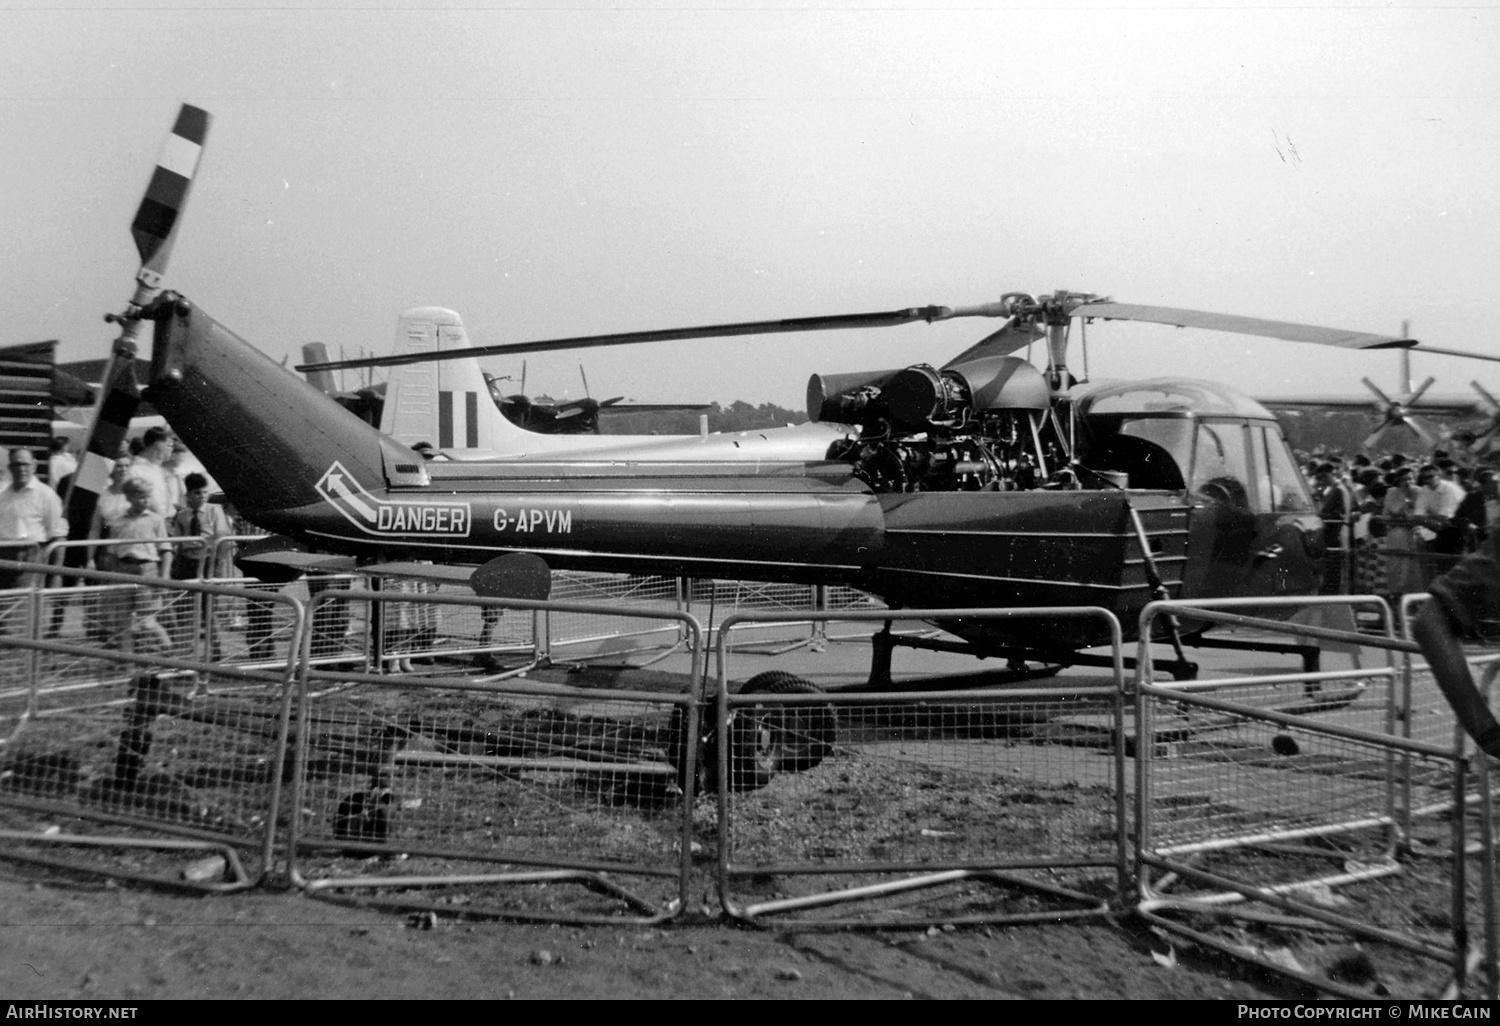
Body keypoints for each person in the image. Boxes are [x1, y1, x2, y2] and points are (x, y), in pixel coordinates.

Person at [101, 478, 173, 652]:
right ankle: (129, 664)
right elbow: (111, 551)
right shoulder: (118, 520)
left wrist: (164, 576)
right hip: (124, 569)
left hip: (147, 570)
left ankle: (169, 652)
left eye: (148, 496)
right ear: (129, 497)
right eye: (140, 496)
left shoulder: (156, 520)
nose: (145, 500)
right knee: (123, 622)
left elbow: (166, 550)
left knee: (147, 622)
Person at [0, 448, 68, 589]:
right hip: (4, 555)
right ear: (10, 467)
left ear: (34, 465)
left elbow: (59, 536)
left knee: (25, 606)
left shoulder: (46, 495)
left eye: (26, 464)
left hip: (31, 555)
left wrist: (57, 574)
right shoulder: (3, 494)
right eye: (17, 464)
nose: (22, 469)